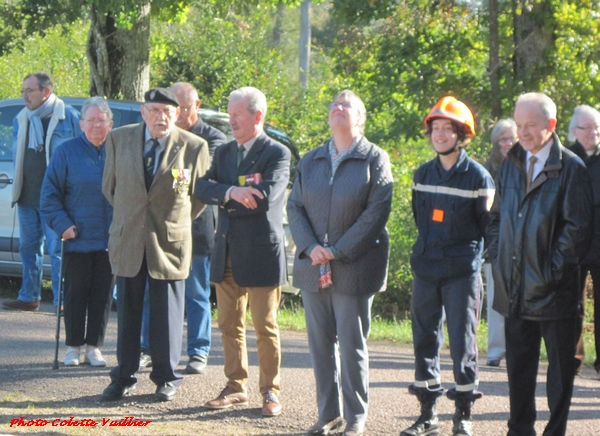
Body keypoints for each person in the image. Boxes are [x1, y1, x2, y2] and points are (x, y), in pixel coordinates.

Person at [287, 90, 393, 436]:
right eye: (334, 103)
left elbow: (376, 212)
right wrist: (311, 246)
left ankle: (356, 416)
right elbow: (295, 207)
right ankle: (327, 415)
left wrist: (339, 250)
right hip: (312, 264)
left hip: (355, 266)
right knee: (320, 348)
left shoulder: (374, 159)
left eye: (346, 105)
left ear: (360, 118)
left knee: (351, 345)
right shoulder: (312, 160)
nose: (337, 107)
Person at [488, 92, 593, 435]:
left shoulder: (571, 168)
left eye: (530, 125)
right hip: (514, 288)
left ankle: (555, 431)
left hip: (554, 292)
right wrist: (497, 256)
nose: (522, 133)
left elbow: (577, 230)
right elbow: (495, 219)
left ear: (550, 126)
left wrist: (550, 273)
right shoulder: (510, 164)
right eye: (518, 125)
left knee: (560, 373)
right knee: (518, 369)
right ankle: (519, 430)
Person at [100, 88, 209, 402]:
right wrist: (134, 212)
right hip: (129, 237)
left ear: (177, 114)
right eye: (154, 110)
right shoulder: (119, 139)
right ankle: (123, 378)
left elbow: (197, 198)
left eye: (167, 111)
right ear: (143, 112)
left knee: (168, 317)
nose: (160, 116)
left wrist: (170, 220)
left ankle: (165, 379)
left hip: (169, 243)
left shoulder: (193, 147)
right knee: (129, 315)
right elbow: (110, 188)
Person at [402, 96, 494, 436]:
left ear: (462, 134)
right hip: (426, 269)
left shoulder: (478, 178)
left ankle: (463, 415)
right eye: (435, 129)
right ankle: (428, 415)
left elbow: (489, 229)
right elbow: (419, 219)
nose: (439, 135)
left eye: (447, 129)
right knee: (424, 340)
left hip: (461, 274)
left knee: (462, 343)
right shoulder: (421, 174)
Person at [196, 87, 290, 417]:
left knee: (265, 325)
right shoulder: (223, 153)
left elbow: (266, 197)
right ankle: (236, 385)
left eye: (237, 115)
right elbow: (201, 187)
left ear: (257, 116)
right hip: (226, 252)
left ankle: (270, 390)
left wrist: (228, 196)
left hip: (261, 253)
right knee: (228, 324)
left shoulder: (276, 153)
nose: (231, 120)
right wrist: (232, 191)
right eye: (230, 113)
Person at [138, 82, 227, 372]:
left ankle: (198, 350)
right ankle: (147, 347)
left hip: (196, 228)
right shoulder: (157, 137)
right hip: (157, 229)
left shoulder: (211, 139)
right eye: (170, 108)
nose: (176, 114)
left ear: (196, 106)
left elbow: (196, 183)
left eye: (183, 108)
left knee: (196, 292)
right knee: (153, 291)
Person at [40, 97, 114, 367]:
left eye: (101, 120)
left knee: (102, 296)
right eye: (91, 120)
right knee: (75, 295)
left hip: (110, 240)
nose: (96, 125)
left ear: (110, 124)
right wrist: (63, 225)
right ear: (81, 124)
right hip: (77, 238)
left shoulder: (118, 152)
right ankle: (73, 347)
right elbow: (48, 197)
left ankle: (94, 347)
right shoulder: (66, 152)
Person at [2, 72, 81, 312]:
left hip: (56, 201)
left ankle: (62, 301)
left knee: (57, 251)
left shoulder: (69, 118)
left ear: (46, 92)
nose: (24, 96)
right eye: (23, 90)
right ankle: (29, 297)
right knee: (28, 248)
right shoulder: (21, 118)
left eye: (29, 91)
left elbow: (79, 156)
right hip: (26, 196)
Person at [567, 105, 600, 377]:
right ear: (574, 131)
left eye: (597, 127)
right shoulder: (565, 160)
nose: (594, 132)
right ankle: (572, 362)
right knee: (572, 308)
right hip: (573, 247)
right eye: (587, 127)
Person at [483, 118, 518, 367]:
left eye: (511, 138)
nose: (507, 143)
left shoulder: (530, 165)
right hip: (494, 244)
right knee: (496, 299)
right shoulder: (487, 170)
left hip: (523, 243)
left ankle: (519, 350)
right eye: (503, 139)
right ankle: (495, 351)